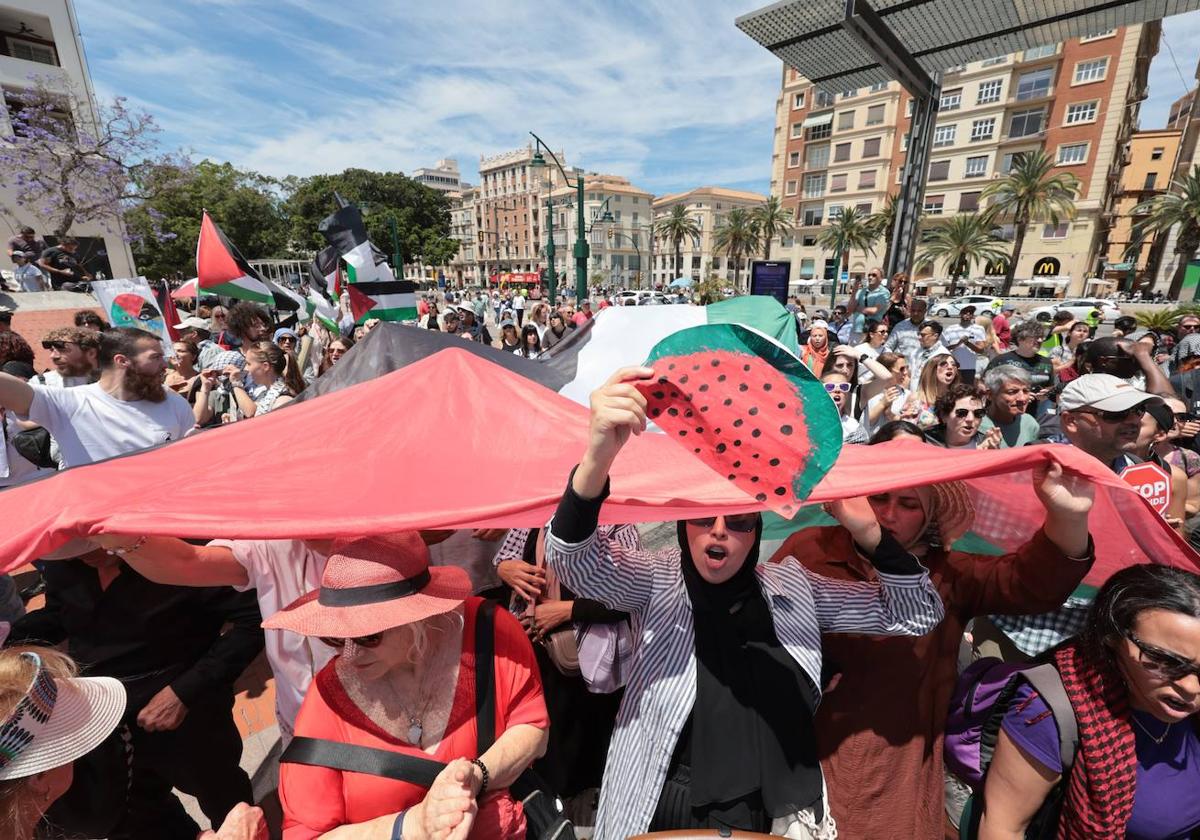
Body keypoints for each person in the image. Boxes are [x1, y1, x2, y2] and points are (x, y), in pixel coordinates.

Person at [544, 366, 946, 838]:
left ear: (756, 532)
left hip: (766, 807)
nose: (718, 531)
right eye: (701, 518)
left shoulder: (795, 588)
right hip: (658, 793)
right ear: (683, 524)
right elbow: (575, 563)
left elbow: (916, 613)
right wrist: (597, 458)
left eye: (737, 521)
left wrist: (868, 532)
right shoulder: (657, 578)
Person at [772, 446, 1094, 840]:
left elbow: (1034, 582)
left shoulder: (948, 574)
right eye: (878, 497)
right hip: (800, 743)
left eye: (908, 504)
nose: (888, 514)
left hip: (896, 761)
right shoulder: (810, 548)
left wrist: (1068, 514)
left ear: (930, 517)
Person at [272, 533, 549, 840]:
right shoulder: (324, 700)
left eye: (368, 636)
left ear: (418, 617)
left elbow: (533, 727)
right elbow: (306, 836)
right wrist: (412, 826)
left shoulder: (489, 631)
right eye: (335, 638)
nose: (349, 654)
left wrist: (477, 775)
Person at [8, 551, 265, 840]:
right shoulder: (63, 562)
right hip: (102, 729)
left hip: (187, 721)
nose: (83, 556)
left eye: (91, 545)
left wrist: (184, 692)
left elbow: (254, 620)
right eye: (73, 549)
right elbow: (61, 612)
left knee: (223, 794)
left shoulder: (186, 556)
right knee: (138, 812)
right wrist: (12, 640)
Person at [978, 564, 1200, 840]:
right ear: (1113, 637)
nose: (1190, 686)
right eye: (1166, 660)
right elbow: (1002, 828)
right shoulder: (1048, 712)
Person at [0, 327, 194, 469]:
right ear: (122, 361)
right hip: (99, 521)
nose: (165, 365)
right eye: (155, 357)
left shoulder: (173, 402)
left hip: (157, 516)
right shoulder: (69, 403)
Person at [992, 321, 1053, 411]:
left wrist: (1047, 393)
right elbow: (985, 386)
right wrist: (1019, 395)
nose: (1040, 340)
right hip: (1006, 414)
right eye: (1035, 337)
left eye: (1041, 337)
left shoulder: (1046, 362)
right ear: (1020, 339)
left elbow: (1050, 386)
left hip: (1038, 415)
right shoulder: (1002, 360)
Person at [979, 365, 1040, 448]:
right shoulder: (974, 424)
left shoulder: (1030, 424)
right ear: (990, 395)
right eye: (1012, 392)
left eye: (1026, 391)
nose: (1022, 398)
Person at [924, 383, 1000, 449]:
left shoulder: (986, 443)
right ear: (944, 416)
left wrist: (990, 454)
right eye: (962, 413)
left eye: (978, 413)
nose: (970, 419)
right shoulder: (924, 440)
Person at [904, 353, 961, 430]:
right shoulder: (916, 398)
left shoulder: (958, 399)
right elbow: (905, 430)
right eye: (944, 364)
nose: (950, 367)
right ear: (932, 369)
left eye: (954, 364)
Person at [864, 352, 912, 438]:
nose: (905, 373)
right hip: (869, 444)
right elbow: (863, 423)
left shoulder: (906, 394)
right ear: (886, 370)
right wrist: (882, 404)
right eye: (901, 369)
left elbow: (908, 426)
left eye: (906, 368)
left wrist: (890, 414)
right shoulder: (865, 390)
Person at [33, 327, 98, 387]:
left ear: (91, 353)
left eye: (63, 350)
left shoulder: (105, 384)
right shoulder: (41, 384)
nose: (53, 356)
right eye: (52, 350)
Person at [942, 305, 987, 384]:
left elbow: (981, 350)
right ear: (960, 314)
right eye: (965, 313)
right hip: (952, 367)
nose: (967, 315)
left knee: (967, 391)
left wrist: (967, 343)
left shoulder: (978, 329)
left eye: (970, 313)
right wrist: (957, 344)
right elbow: (943, 348)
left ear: (973, 316)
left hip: (969, 367)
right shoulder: (951, 329)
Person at [822, 370, 868, 444]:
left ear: (847, 395)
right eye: (830, 387)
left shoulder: (854, 427)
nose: (837, 390)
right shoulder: (807, 422)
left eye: (843, 387)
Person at [846, 268, 889, 345]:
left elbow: (874, 310)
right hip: (856, 329)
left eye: (874, 275)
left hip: (871, 330)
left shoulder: (884, 292)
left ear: (881, 278)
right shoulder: (861, 291)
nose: (870, 277)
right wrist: (854, 291)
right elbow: (850, 309)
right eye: (869, 275)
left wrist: (857, 308)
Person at [883, 297, 929, 366]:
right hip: (902, 366)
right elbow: (888, 347)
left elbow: (942, 348)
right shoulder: (900, 327)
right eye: (913, 310)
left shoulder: (932, 327)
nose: (916, 313)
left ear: (925, 311)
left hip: (923, 366)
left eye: (919, 311)